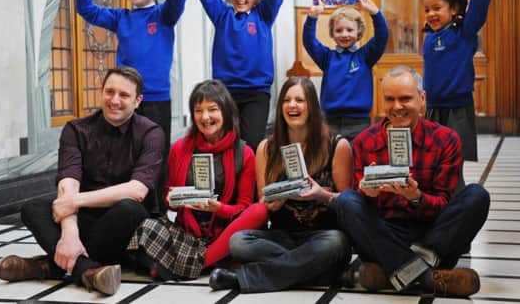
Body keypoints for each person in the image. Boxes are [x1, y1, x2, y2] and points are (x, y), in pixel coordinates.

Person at [0, 67, 164, 296]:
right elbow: (68, 182)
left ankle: (49, 265)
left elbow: (137, 190)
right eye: (109, 92)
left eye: (124, 95)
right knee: (32, 210)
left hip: (126, 226)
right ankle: (88, 271)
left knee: (129, 208)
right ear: (101, 92)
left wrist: (74, 202)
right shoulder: (76, 129)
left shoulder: (151, 133)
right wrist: (70, 233)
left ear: (137, 101)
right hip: (85, 219)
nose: (114, 100)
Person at [335, 66, 490, 298]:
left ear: (422, 99)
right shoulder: (364, 142)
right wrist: (369, 193)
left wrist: (416, 197)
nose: (397, 107)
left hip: (434, 235)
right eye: (390, 99)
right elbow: (361, 203)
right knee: (347, 201)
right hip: (386, 233)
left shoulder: (446, 139)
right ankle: (428, 278)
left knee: (477, 195)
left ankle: (393, 271)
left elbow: (444, 202)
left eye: (405, 98)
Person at [73, 0, 188, 210]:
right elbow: (87, 10)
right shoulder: (120, 17)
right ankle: (126, 206)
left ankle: (156, 210)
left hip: (156, 98)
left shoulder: (164, 15)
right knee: (124, 153)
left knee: (155, 155)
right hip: (124, 100)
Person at [208, 77, 353, 292]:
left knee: (337, 242)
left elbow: (347, 203)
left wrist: (320, 195)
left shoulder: (337, 145)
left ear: (312, 106)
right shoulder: (266, 147)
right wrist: (274, 201)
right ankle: (315, 270)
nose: (292, 105)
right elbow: (264, 203)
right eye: (286, 100)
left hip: (322, 236)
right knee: (238, 242)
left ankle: (242, 279)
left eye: (299, 100)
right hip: (281, 237)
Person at [128, 80, 267, 280]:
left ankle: (199, 263)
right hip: (188, 234)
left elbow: (244, 208)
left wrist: (218, 208)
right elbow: (170, 202)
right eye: (198, 111)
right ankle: (210, 262)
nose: (205, 117)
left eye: (212, 109)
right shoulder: (179, 148)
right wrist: (176, 199)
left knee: (260, 211)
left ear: (225, 112)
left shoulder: (244, 152)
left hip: (225, 234)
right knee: (147, 227)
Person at [189, 0, 285, 152]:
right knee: (225, 146)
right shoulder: (222, 15)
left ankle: (250, 188)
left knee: (250, 147)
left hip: (256, 93)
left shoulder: (264, 15)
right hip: (224, 92)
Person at [422, 0, 501, 191]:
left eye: (437, 9)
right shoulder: (430, 36)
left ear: (454, 9)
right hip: (433, 109)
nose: (431, 14)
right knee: (432, 163)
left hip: (458, 110)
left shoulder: (463, 33)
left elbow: (478, 4)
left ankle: (456, 204)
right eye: (427, 10)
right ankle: (436, 204)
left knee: (452, 166)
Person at [303, 0, 388, 142]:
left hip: (359, 123)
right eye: (339, 30)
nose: (344, 34)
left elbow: (382, 36)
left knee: (356, 161)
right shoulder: (327, 57)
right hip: (329, 122)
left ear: (358, 32)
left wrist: (374, 12)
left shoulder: (366, 56)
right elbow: (309, 42)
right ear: (332, 33)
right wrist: (312, 17)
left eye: (350, 30)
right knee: (330, 160)